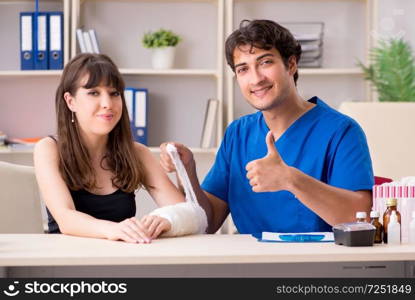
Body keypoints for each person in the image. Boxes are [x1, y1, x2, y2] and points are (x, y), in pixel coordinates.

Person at [160, 19, 374, 235]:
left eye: (265, 63)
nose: (256, 79)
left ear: (291, 64)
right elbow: (209, 221)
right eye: (243, 69)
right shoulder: (238, 133)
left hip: (317, 264)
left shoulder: (341, 131)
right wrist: (186, 172)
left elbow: (358, 218)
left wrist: (290, 179)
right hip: (249, 264)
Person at [34, 53, 206, 243]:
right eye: (93, 93)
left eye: (114, 93)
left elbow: (190, 214)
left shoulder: (137, 153)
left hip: (120, 263)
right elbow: (66, 219)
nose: (108, 104)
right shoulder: (49, 149)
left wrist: (167, 220)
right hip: (66, 264)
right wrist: (114, 229)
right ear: (70, 101)